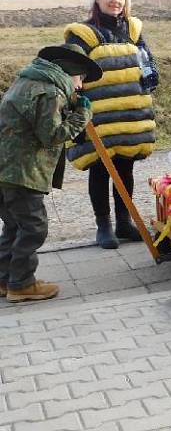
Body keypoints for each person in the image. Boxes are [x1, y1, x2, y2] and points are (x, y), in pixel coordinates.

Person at [0, 44, 101, 302]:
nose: (79, 87)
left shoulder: (27, 81)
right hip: (22, 172)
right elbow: (52, 135)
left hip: (6, 170)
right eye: (80, 79)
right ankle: (21, 285)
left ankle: (5, 279)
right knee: (33, 227)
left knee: (14, 225)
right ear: (70, 72)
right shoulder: (50, 92)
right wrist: (83, 114)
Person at [65, 0, 158, 249]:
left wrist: (151, 76)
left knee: (125, 168)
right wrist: (75, 84)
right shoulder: (83, 33)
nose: (115, 1)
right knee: (100, 169)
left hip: (129, 115)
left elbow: (147, 63)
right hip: (99, 116)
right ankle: (103, 226)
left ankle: (123, 222)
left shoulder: (133, 30)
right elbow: (73, 66)